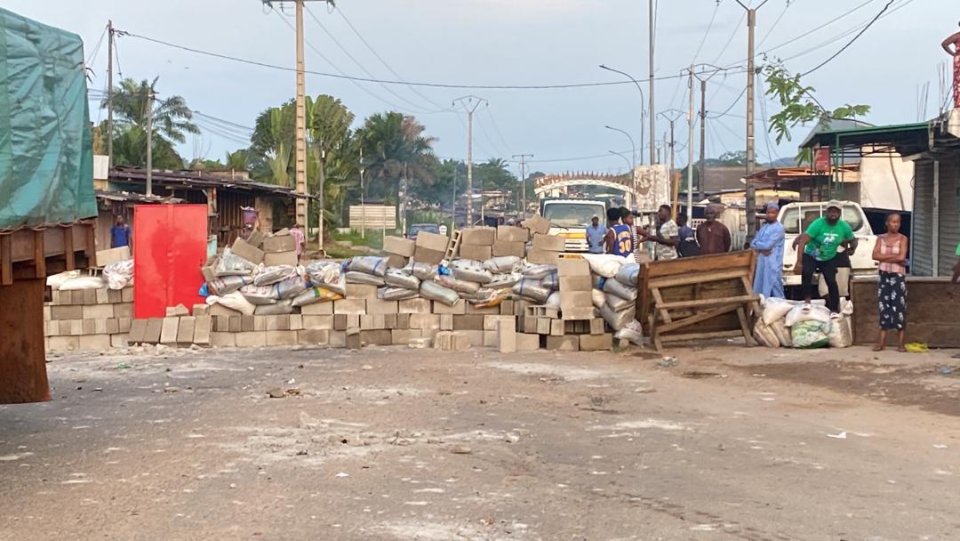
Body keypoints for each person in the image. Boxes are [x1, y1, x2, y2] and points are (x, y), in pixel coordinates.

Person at [793, 200, 858, 316]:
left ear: (839, 213)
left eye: (836, 211)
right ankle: (807, 301)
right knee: (807, 273)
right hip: (812, 254)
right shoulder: (818, 224)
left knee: (831, 281)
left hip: (829, 257)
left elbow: (853, 240)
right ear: (826, 212)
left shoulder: (844, 227)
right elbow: (803, 241)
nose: (833, 214)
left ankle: (834, 309)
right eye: (831, 211)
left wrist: (852, 249)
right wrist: (799, 262)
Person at [872, 213, 909, 352]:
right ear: (887, 223)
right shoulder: (880, 238)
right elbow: (874, 255)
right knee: (883, 306)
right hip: (883, 275)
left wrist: (884, 258)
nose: (895, 224)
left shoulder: (903, 238)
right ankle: (881, 342)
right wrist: (894, 257)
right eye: (892, 222)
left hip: (898, 275)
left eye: (897, 222)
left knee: (899, 307)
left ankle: (900, 344)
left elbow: (902, 257)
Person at [750, 203, 785, 299]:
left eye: (772, 213)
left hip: (773, 263)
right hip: (762, 262)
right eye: (768, 212)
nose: (770, 215)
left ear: (777, 213)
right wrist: (761, 249)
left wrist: (759, 247)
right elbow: (753, 243)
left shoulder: (779, 228)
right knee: (760, 286)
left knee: (775, 286)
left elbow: (768, 245)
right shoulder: (764, 227)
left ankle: (780, 309)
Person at [942, 23, 960, 109]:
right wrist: (953, 54)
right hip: (959, 61)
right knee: (958, 82)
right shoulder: (957, 36)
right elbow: (944, 44)